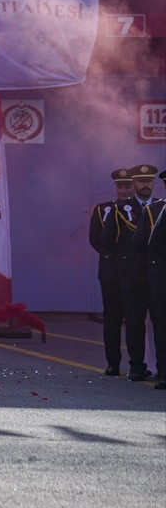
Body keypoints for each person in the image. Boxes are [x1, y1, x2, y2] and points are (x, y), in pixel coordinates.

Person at [105, 163, 159, 382]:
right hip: (132, 275)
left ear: (154, 183)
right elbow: (106, 242)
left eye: (149, 181)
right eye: (141, 181)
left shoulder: (161, 207)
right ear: (134, 183)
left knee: (161, 324)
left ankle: (162, 368)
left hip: (157, 276)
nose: (145, 185)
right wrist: (123, 267)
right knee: (135, 323)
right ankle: (137, 366)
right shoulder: (119, 210)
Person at [90, 168, 135, 375]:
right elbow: (95, 240)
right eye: (120, 187)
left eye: (128, 186)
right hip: (110, 272)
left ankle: (138, 364)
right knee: (112, 318)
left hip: (134, 272)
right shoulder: (102, 210)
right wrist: (115, 258)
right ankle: (113, 362)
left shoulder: (142, 209)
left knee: (135, 319)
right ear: (115, 188)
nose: (124, 191)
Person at [133, 169, 165, 389]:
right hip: (161, 278)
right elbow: (139, 243)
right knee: (162, 326)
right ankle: (163, 373)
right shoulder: (154, 210)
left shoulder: (156, 209)